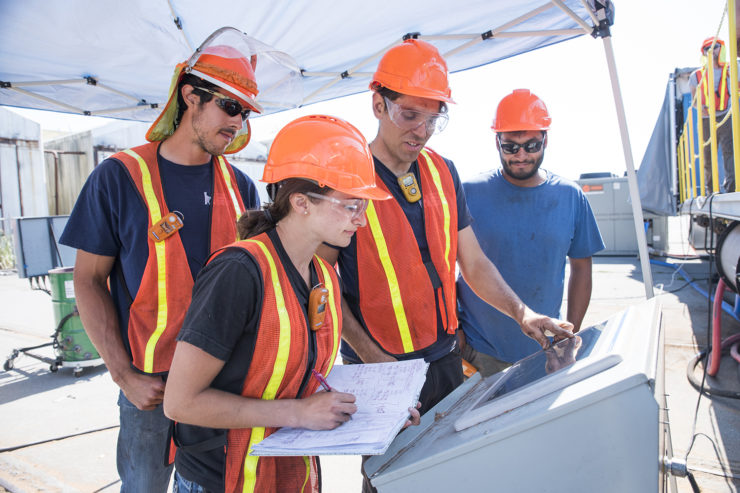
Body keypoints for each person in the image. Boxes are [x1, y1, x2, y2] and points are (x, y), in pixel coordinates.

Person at [58, 28, 286, 492]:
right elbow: (88, 281)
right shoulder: (119, 177)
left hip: (226, 391)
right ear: (191, 96)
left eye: (244, 113)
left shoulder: (240, 187)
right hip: (150, 390)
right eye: (229, 106)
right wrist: (124, 377)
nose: (238, 123)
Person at [163, 114, 418, 493]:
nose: (361, 221)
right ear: (300, 202)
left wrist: (375, 412)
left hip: (288, 474)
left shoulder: (323, 274)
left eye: (363, 206)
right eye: (351, 206)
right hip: (223, 478)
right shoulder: (238, 272)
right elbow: (181, 403)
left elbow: (298, 377)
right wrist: (297, 413)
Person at [457, 89, 604, 377]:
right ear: (496, 142)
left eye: (532, 145)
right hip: (479, 352)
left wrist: (568, 335)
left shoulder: (570, 196)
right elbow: (446, 264)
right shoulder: (469, 192)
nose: (521, 155)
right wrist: (455, 330)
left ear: (546, 140)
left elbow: (582, 269)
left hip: (543, 352)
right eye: (510, 147)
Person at [689, 37, 739, 194]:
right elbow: (694, 100)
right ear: (703, 53)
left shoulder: (731, 69)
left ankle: (731, 187)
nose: (711, 50)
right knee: (708, 155)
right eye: (707, 48)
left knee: (729, 152)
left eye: (715, 46)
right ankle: (711, 189)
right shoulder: (696, 75)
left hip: (725, 115)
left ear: (721, 48)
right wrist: (701, 108)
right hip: (706, 119)